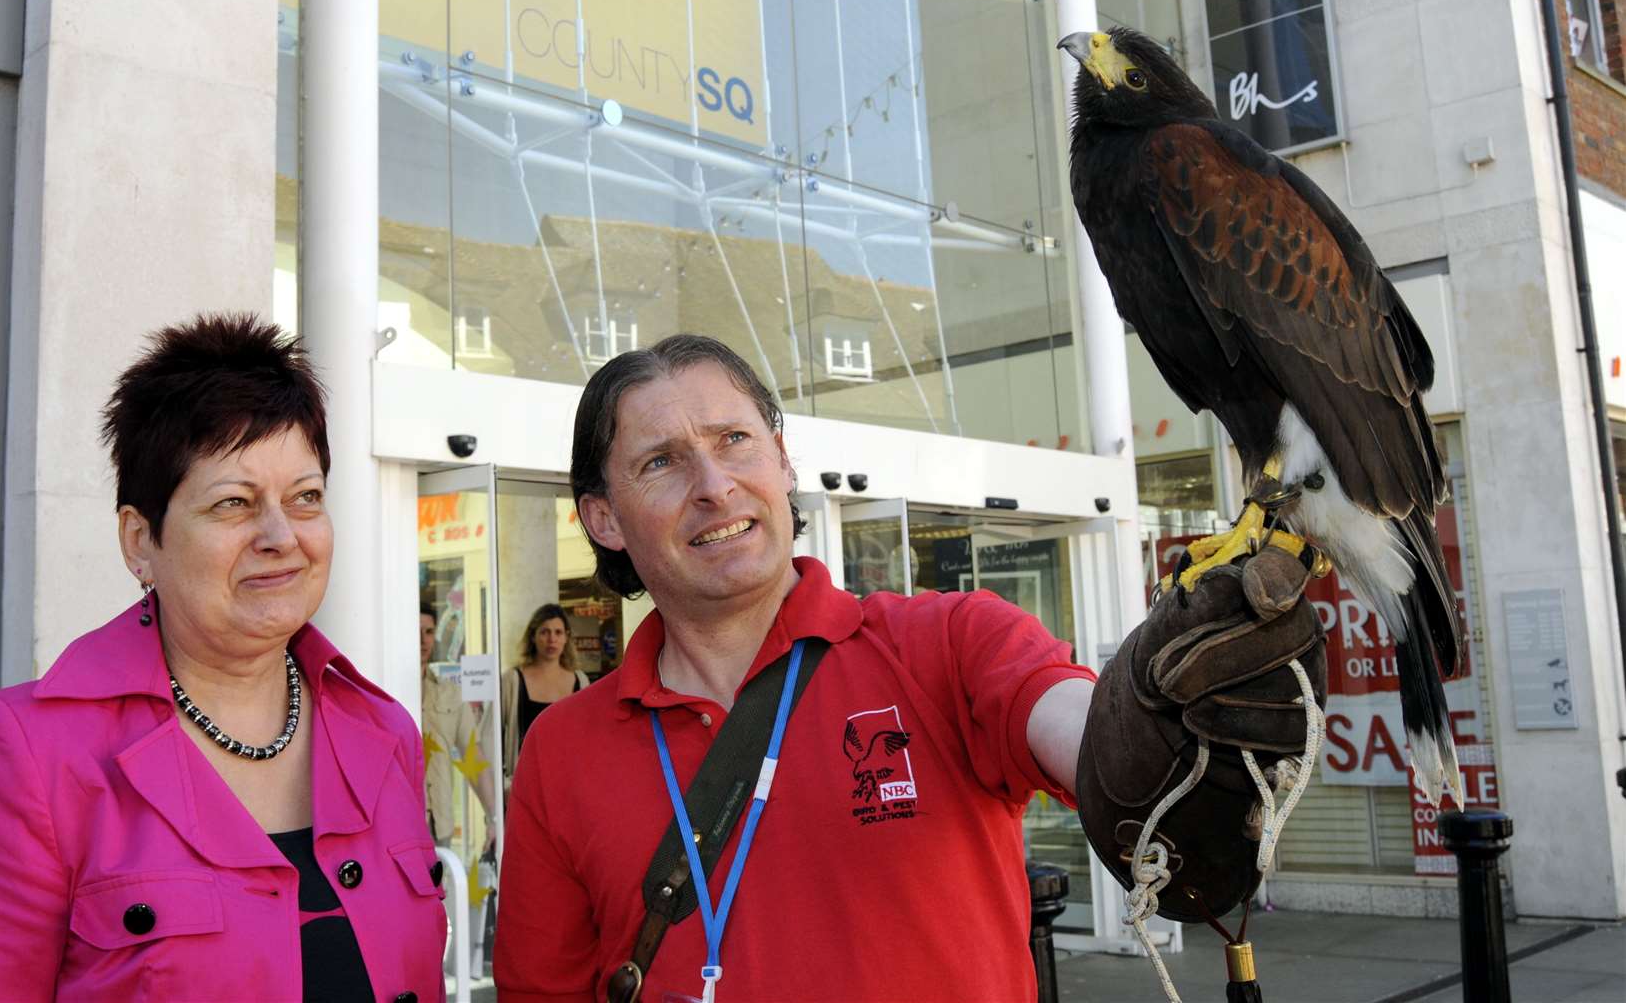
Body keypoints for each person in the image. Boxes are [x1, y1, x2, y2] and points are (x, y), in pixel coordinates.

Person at [494, 334, 1325, 1001]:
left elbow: (1082, 728)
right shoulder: (562, 750)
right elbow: (542, 988)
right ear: (602, 518)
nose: (715, 484)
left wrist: (1154, 727)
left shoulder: (949, 643)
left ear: (783, 463)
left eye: (735, 440)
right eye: (661, 462)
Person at [0, 314, 445, 1002]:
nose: (281, 535)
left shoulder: (385, 731)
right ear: (140, 542)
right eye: (232, 504)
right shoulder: (32, 758)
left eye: (305, 498)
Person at [420, 602, 493, 848]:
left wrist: (493, 818)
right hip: (395, 828)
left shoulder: (451, 693)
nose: (423, 640)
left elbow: (473, 758)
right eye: (416, 630)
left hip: (439, 827)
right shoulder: (381, 691)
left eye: (429, 632)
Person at [498, 604, 589, 785]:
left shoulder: (581, 681)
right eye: (544, 632)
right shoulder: (512, 680)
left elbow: (589, 737)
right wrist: (504, 785)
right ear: (533, 636)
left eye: (558, 632)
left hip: (569, 784)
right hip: (525, 784)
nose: (551, 639)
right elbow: (490, 737)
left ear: (566, 638)